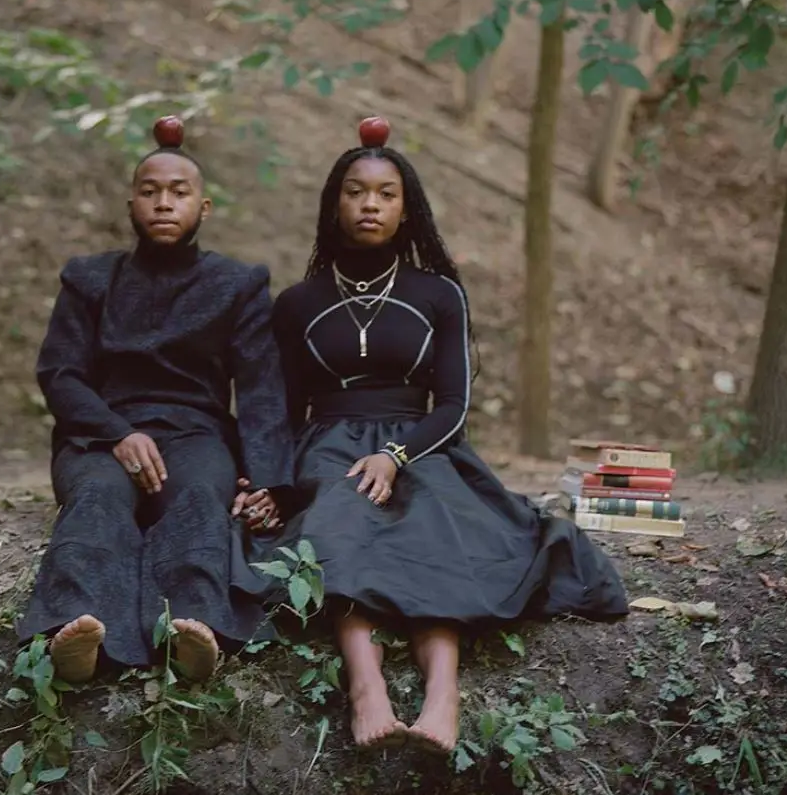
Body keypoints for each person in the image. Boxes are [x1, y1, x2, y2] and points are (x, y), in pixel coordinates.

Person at [240, 116, 629, 754]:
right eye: (356, 191)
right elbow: (279, 409)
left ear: (406, 208)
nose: (370, 203)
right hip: (329, 443)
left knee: (436, 527)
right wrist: (269, 482)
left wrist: (395, 455)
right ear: (333, 203)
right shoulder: (297, 303)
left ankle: (442, 695)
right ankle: (367, 688)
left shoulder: (438, 294)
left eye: (386, 193)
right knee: (338, 522)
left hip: (421, 441)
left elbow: (453, 403)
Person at [18, 116, 294, 684]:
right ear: (131, 205)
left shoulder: (236, 285)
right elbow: (61, 375)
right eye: (150, 192)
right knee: (97, 497)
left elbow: (263, 389)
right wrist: (117, 432)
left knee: (196, 498)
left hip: (195, 435)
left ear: (204, 207)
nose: (163, 203)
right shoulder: (90, 279)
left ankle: (192, 629)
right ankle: (74, 632)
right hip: (100, 436)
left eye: (178, 192)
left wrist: (269, 480)